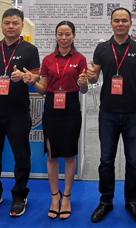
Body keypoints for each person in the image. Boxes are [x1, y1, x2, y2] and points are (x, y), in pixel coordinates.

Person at [87, 8, 136, 224]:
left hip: (133, 113)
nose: (120, 24)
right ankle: (105, 201)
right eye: (116, 20)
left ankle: (131, 201)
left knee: (133, 161)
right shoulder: (102, 48)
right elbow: (94, 77)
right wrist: (90, 76)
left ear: (131, 23)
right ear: (111, 23)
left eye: (124, 20)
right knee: (106, 160)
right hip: (108, 113)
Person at [0, 8, 40, 217]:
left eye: (15, 23)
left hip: (18, 112)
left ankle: (20, 195)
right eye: (7, 23)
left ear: (21, 26)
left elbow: (36, 75)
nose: (10, 26)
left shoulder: (30, 49)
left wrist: (26, 77)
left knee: (21, 156)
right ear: (2, 25)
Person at [31, 21, 88, 220]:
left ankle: (67, 197)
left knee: (70, 153)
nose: (64, 38)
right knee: (52, 153)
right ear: (56, 36)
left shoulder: (80, 59)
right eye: (60, 34)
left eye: (67, 34)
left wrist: (84, 83)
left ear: (74, 36)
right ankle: (55, 196)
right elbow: (43, 89)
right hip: (51, 106)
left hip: (71, 106)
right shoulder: (47, 60)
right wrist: (33, 81)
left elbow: (83, 90)